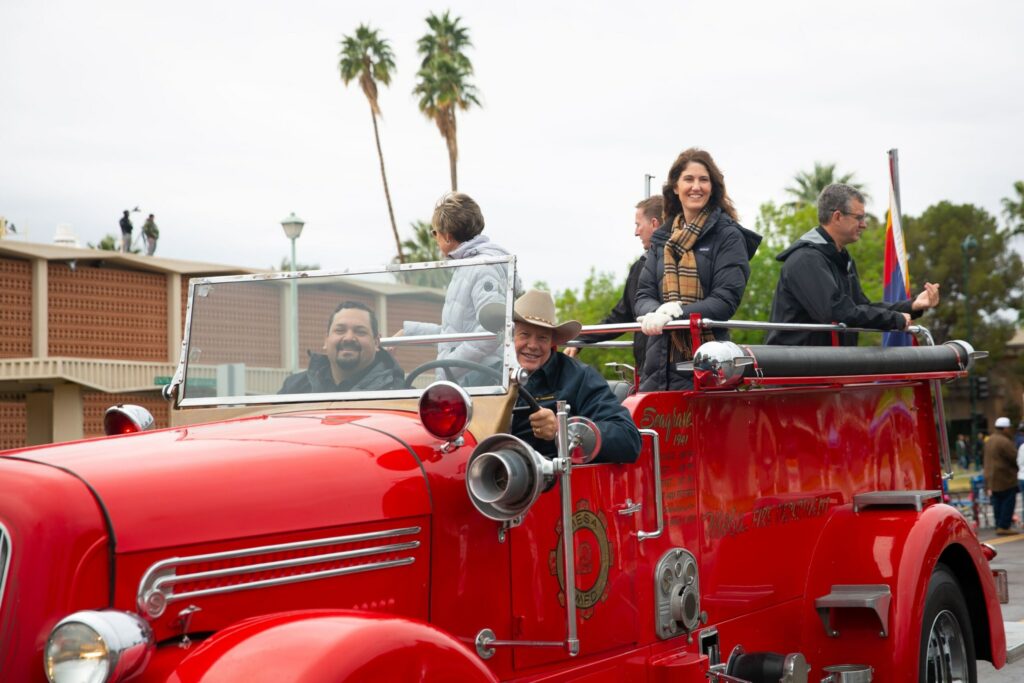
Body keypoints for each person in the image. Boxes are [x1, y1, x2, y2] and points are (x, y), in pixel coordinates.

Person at [634, 148, 761, 391]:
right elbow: (643, 295)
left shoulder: (728, 236)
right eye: (688, 179)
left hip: (710, 366)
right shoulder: (662, 237)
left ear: (713, 187)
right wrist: (655, 313)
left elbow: (725, 301)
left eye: (704, 180)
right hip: (656, 367)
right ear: (675, 187)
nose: (696, 186)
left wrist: (675, 314)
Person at [765, 184, 941, 346]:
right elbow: (836, 311)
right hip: (795, 371)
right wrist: (894, 319)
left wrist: (912, 305)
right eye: (859, 218)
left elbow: (861, 307)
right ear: (837, 216)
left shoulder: (842, 259)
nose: (864, 224)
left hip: (828, 368)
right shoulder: (805, 259)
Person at [483, 289, 641, 464]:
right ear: (509, 337)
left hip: (548, 483)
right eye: (525, 335)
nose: (533, 345)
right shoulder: (483, 375)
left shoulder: (580, 378)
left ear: (553, 342)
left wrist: (564, 430)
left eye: (542, 338)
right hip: (479, 474)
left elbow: (628, 439)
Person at [399, 192, 519, 386]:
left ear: (446, 236)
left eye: (434, 232)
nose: (435, 238)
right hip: (466, 378)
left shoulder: (481, 267)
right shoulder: (469, 267)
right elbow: (455, 332)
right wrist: (408, 332)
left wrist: (453, 364)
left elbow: (494, 329)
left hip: (476, 382)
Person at [565, 196, 663, 370]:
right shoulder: (639, 267)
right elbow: (622, 316)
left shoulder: (687, 264)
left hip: (668, 367)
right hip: (647, 368)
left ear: (654, 224)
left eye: (638, 224)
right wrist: (580, 339)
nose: (636, 232)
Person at [280, 301, 404, 394]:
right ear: (326, 340)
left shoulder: (398, 394)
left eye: (360, 331)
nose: (349, 338)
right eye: (340, 330)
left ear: (376, 342)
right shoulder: (293, 388)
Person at [983, 416, 1019, 535]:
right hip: (1005, 477)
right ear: (1005, 428)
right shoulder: (1004, 441)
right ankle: (1004, 526)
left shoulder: (990, 440)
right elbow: (1015, 458)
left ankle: (998, 524)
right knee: (1008, 502)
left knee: (997, 502)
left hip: (991, 477)